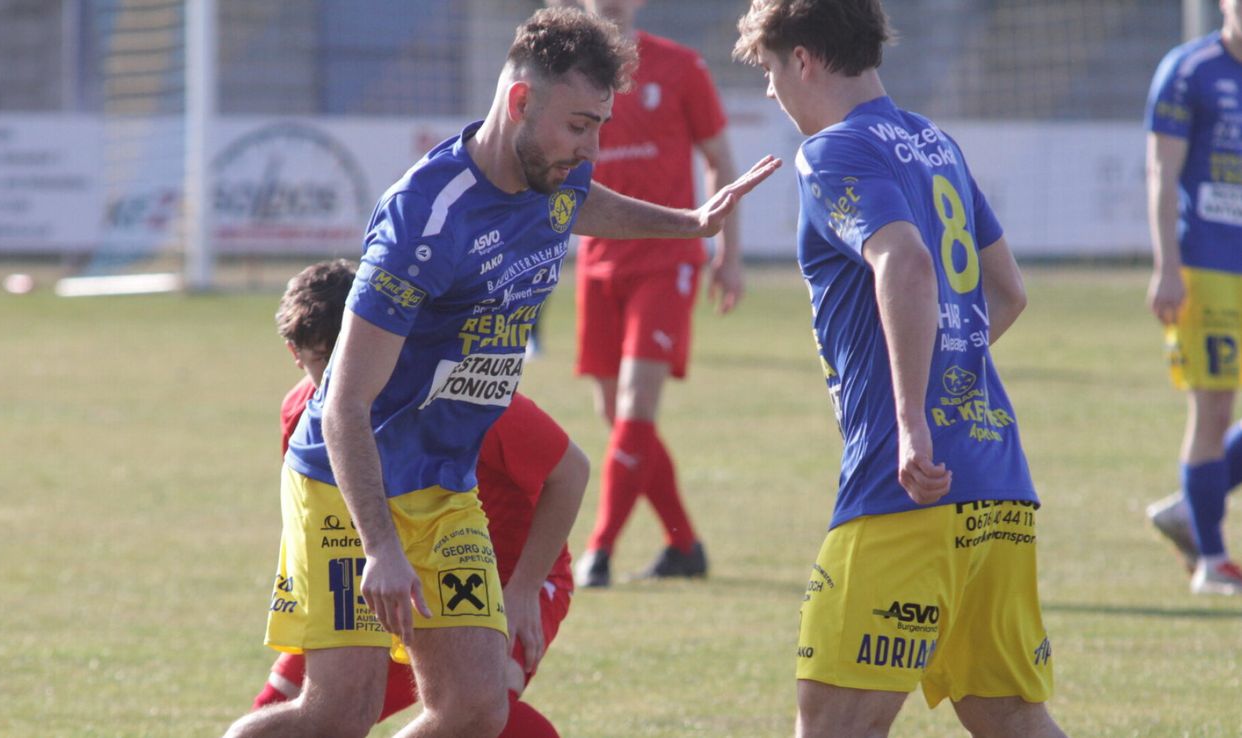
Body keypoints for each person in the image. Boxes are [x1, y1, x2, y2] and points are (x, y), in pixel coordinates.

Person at [223, 7, 778, 737]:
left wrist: (690, 223)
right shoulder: (425, 219)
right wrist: (381, 549)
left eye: (601, 126)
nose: (591, 148)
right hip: (350, 486)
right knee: (339, 712)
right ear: (520, 101)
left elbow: (584, 206)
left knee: (475, 710)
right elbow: (344, 403)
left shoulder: (551, 182)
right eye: (580, 125)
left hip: (445, 486)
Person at [733, 2, 1067, 736]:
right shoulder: (933, 141)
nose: (768, 92)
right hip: (998, 488)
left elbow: (907, 262)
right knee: (1010, 717)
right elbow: (1006, 290)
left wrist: (912, 419)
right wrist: (948, 369)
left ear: (804, 60)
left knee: (831, 723)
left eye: (767, 70)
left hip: (905, 492)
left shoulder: (831, 152)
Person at [250, 260, 586, 738]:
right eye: (321, 360)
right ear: (295, 355)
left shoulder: (456, 397)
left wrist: (524, 588)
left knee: (482, 709)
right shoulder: (305, 416)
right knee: (299, 704)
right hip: (387, 562)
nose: (336, 376)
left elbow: (571, 473)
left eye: (346, 354)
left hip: (509, 570)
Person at [570, 0, 744, 588]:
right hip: (597, 261)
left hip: (667, 260)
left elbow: (721, 160)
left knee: (634, 408)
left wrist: (730, 255)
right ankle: (685, 547)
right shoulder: (571, 70)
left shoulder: (680, 67)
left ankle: (598, 550)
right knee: (614, 415)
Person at [1143, 0, 1242, 596]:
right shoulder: (1188, 70)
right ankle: (1212, 559)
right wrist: (1167, 266)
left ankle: (1190, 506)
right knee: (1214, 411)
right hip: (1206, 266)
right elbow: (1161, 171)